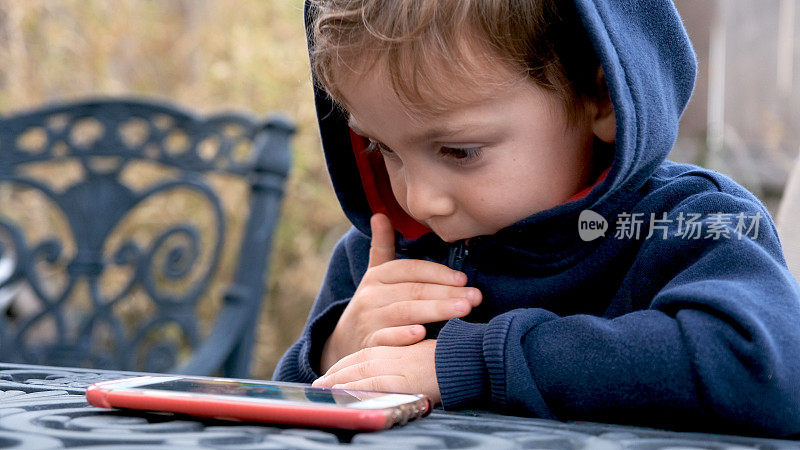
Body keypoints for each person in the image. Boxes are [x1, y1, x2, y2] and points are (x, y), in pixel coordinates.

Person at [274, 0, 800, 436]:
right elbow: (282, 424)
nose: (418, 198)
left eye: (459, 151)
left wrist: (473, 364)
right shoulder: (385, 259)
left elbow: (767, 372)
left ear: (600, 98)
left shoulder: (686, 222)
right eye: (381, 147)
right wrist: (331, 352)